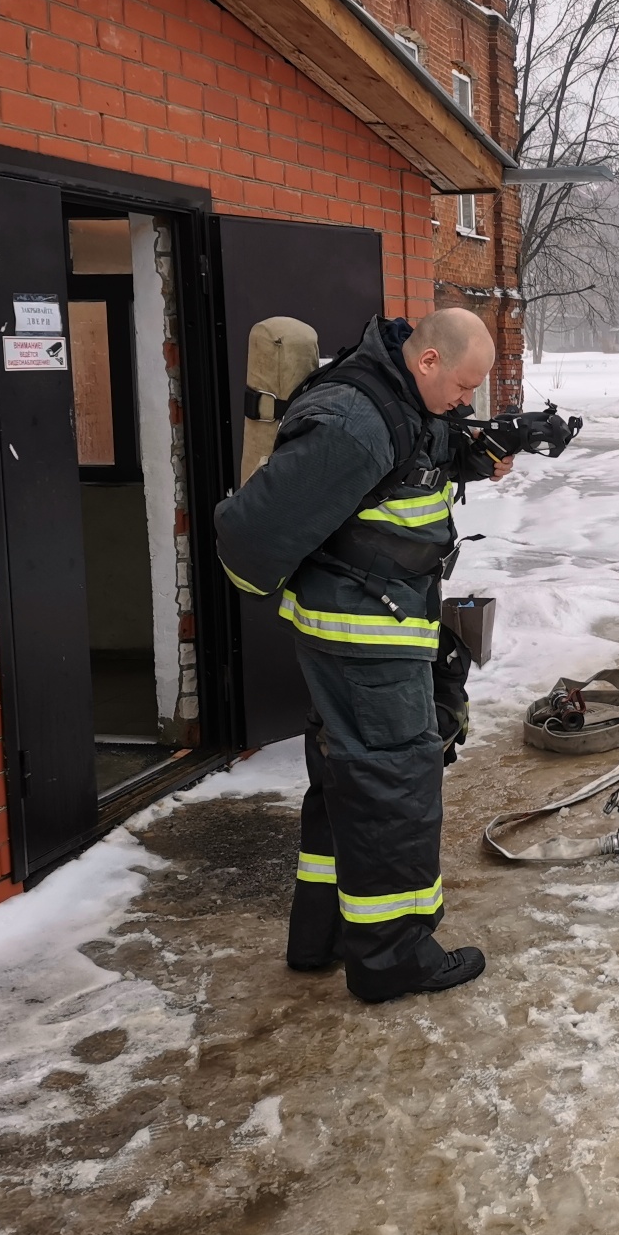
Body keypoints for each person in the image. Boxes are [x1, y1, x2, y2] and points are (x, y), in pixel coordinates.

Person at [215, 308, 511, 1003]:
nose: (467, 401)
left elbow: (417, 448)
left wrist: (472, 451)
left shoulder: (394, 392)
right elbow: (257, 535)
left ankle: (321, 931)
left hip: (369, 626)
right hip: (363, 637)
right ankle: (391, 956)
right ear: (429, 360)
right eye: (465, 385)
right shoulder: (356, 422)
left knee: (347, 774)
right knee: (393, 782)